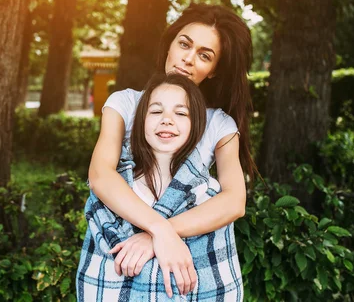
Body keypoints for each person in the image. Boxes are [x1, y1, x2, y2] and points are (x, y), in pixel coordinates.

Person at [79, 3, 256, 298]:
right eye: (184, 44)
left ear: (213, 71)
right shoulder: (125, 104)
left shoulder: (219, 125)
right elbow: (100, 175)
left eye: (204, 55)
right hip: (120, 262)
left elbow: (234, 201)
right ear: (170, 44)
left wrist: (154, 237)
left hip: (188, 272)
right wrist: (160, 231)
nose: (187, 59)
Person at [77, 73, 243, 301]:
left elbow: (221, 281)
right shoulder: (112, 193)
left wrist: (154, 236)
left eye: (181, 113)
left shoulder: (209, 198)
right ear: (139, 121)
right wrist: (161, 232)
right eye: (156, 111)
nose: (167, 120)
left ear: (196, 126)